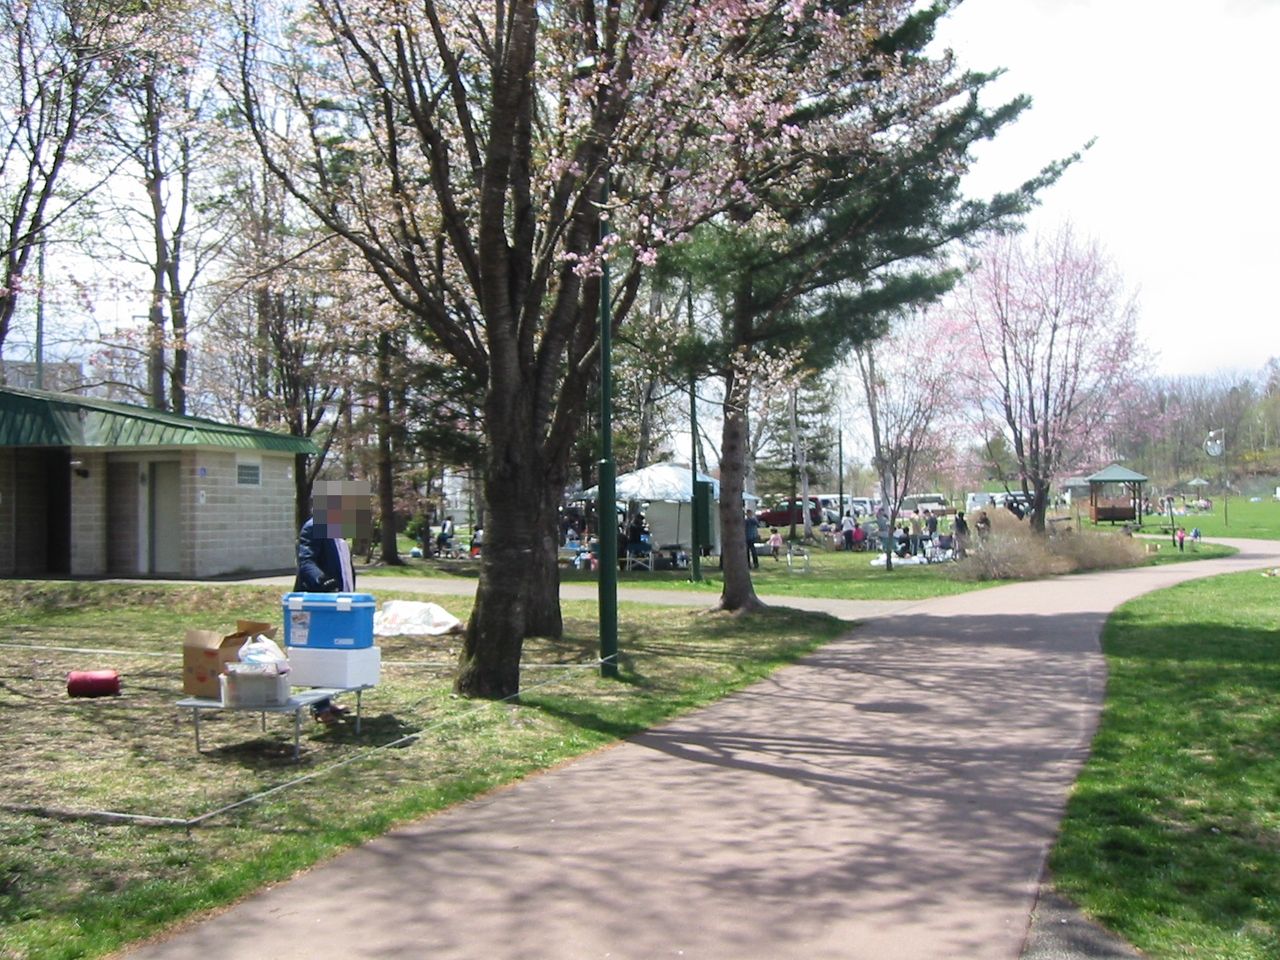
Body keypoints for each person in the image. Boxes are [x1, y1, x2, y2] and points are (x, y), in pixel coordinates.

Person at [294, 480, 372, 722]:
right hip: (320, 603)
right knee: (319, 653)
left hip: (342, 602)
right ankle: (319, 707)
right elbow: (306, 561)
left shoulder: (338, 533)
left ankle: (328, 701)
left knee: (334, 653)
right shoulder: (314, 526)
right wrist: (323, 581)